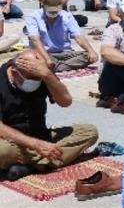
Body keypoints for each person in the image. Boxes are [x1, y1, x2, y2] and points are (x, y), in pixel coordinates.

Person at [0, 51, 97, 180]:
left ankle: (34, 166)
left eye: (38, 78)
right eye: (32, 79)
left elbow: (65, 101)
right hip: (11, 141)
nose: (36, 82)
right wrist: (36, 145)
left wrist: (47, 75)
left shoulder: (43, 74)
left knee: (89, 132)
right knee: (2, 151)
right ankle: (46, 161)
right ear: (14, 71)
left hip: (41, 135)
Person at [25, 0, 97, 73]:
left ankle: (57, 67)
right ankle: (63, 66)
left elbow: (78, 36)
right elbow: (35, 39)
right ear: (44, 6)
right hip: (45, 54)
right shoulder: (33, 17)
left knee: (88, 56)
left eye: (56, 11)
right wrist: (47, 59)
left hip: (65, 53)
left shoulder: (67, 16)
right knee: (36, 59)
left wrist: (91, 51)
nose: (53, 13)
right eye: (51, 11)